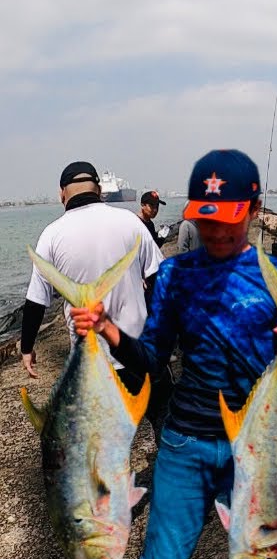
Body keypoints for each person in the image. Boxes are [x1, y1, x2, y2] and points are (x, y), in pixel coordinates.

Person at [70, 149, 277, 559]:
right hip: (184, 445)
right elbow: (152, 357)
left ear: (253, 208)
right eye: (206, 223)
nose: (217, 234)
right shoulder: (176, 275)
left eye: (227, 221)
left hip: (256, 452)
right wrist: (107, 330)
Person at [21, 161, 166, 434]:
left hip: (93, 365)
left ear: (62, 194)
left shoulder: (50, 236)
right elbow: (161, 280)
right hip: (139, 351)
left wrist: (27, 347)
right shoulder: (130, 222)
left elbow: (36, 300)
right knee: (164, 424)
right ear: (99, 190)